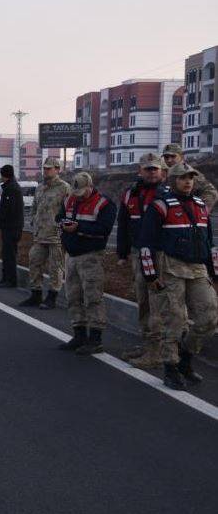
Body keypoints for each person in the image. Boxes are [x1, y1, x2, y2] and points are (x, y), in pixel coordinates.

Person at [137, 162, 218, 390]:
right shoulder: (160, 207)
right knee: (174, 320)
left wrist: (215, 273)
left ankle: (185, 356)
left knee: (209, 318)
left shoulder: (201, 205)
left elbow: (209, 243)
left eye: (190, 177)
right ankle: (171, 367)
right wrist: (150, 275)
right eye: (182, 178)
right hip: (170, 268)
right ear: (172, 181)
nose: (188, 181)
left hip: (197, 269)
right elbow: (146, 243)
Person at [117, 153, 168, 368]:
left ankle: (158, 352)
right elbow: (123, 224)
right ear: (140, 171)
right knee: (143, 301)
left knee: (159, 303)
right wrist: (122, 252)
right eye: (148, 169)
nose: (152, 172)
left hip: (162, 255)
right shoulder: (131, 194)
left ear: (163, 171)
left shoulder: (168, 193)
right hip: (140, 255)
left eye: (155, 168)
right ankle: (148, 345)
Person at [56, 172, 116, 355]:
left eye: (83, 192)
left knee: (92, 297)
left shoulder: (104, 204)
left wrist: (78, 228)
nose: (79, 195)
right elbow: (58, 217)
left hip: (91, 256)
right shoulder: (69, 200)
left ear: (91, 187)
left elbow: (104, 229)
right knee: (73, 296)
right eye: (76, 192)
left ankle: (95, 339)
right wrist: (63, 224)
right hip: (71, 255)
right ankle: (79, 334)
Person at [20, 156, 70, 309]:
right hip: (40, 234)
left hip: (56, 236)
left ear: (57, 169)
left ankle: (52, 297)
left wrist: (65, 229)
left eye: (49, 168)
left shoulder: (64, 188)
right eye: (44, 168)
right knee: (34, 261)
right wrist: (33, 220)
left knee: (56, 267)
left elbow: (69, 210)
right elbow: (35, 206)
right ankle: (36, 294)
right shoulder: (40, 188)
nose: (46, 171)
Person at [161, 143, 217, 209]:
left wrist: (201, 210)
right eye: (166, 157)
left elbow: (211, 192)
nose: (169, 160)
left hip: (187, 213)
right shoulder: (166, 172)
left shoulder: (190, 173)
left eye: (173, 156)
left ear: (181, 157)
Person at [0, 164, 24, 288]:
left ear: (4, 175)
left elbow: (10, 210)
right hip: (9, 227)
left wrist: (3, 221)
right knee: (6, 253)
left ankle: (11, 281)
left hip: (12, 227)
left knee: (10, 254)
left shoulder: (12, 189)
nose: (1, 177)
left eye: (2, 174)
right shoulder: (9, 187)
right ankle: (5, 278)